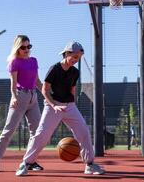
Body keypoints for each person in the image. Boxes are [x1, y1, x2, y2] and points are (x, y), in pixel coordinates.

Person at [15, 41, 105, 176]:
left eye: (78, 58)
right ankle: (25, 164)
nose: (76, 60)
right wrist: (54, 105)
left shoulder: (75, 72)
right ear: (67, 54)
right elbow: (45, 90)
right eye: (74, 57)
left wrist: (71, 105)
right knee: (42, 135)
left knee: (84, 132)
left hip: (69, 106)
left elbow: (72, 90)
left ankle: (90, 165)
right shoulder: (54, 69)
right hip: (53, 105)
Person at [0, 35, 43, 172]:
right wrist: (13, 97)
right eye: (23, 47)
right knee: (8, 130)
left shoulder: (34, 61)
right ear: (18, 48)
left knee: (36, 132)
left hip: (33, 98)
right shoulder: (15, 62)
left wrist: (46, 95)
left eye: (29, 46)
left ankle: (30, 161)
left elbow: (37, 82)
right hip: (20, 97)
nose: (26, 49)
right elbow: (13, 84)